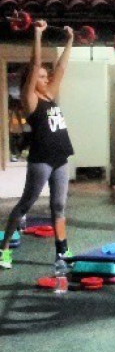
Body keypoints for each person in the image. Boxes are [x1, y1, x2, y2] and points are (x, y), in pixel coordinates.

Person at [1, 21, 75, 269]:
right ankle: (4, 249)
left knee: (59, 205)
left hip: (61, 156)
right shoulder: (29, 99)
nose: (46, 78)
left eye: (46, 75)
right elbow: (34, 65)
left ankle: (62, 252)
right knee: (26, 203)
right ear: (32, 80)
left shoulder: (49, 95)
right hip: (41, 159)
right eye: (41, 76)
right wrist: (37, 34)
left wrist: (70, 40)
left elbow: (61, 68)